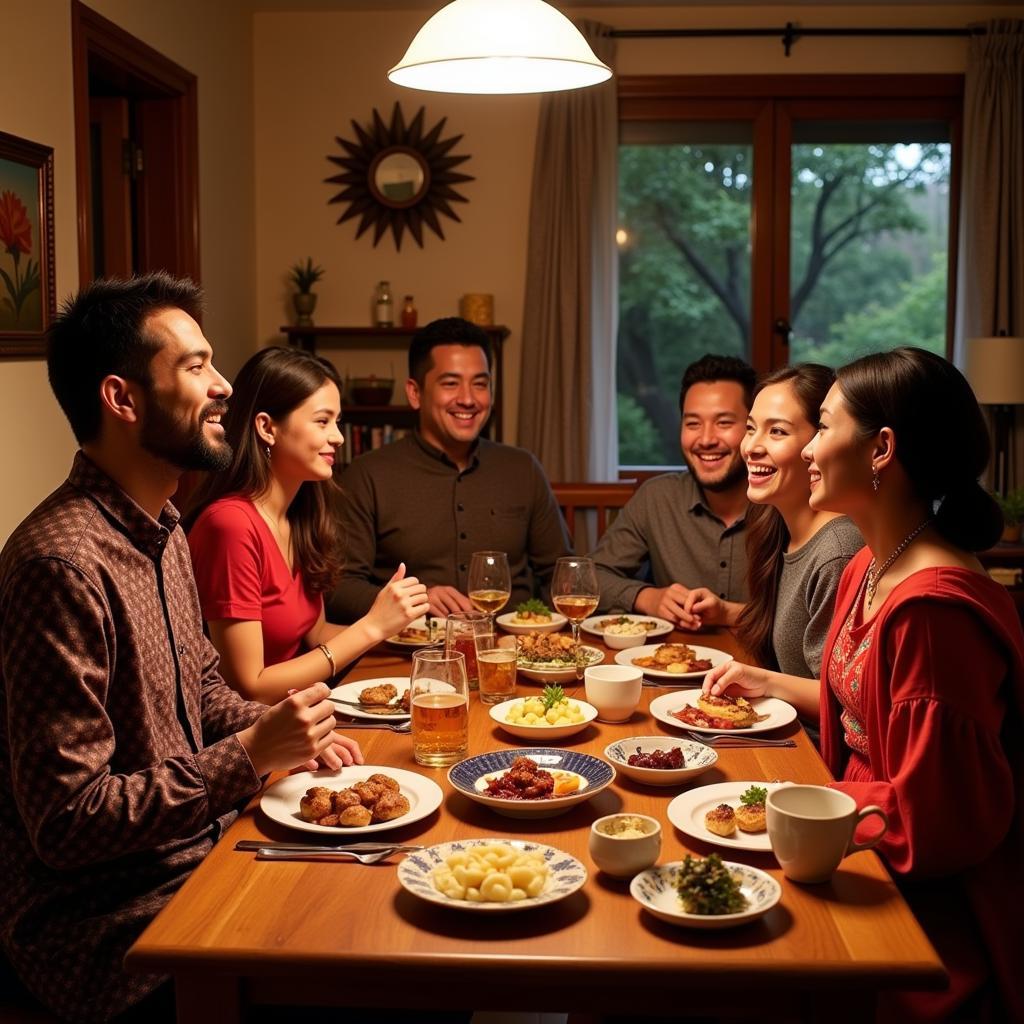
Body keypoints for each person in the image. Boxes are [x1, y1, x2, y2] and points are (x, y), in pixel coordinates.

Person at [0, 274, 364, 1023]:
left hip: (206, 857)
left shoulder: (162, 525)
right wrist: (251, 755)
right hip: (115, 929)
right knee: (397, 984)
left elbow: (200, 686)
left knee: (392, 904)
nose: (225, 385)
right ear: (122, 399)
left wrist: (289, 734)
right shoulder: (59, 565)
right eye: (195, 367)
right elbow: (68, 822)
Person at [707, 347, 1023, 1021]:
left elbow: (937, 826)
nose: (810, 450)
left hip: (927, 920)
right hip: (857, 853)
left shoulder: (933, 611)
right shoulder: (870, 569)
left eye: (822, 427)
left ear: (881, 448)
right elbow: (853, 737)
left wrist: (791, 807)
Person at [185, 347, 429, 704]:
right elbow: (247, 686)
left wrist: (395, 631)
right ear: (267, 428)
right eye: (322, 421)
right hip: (253, 738)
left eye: (338, 421)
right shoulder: (230, 526)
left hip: (303, 715)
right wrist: (371, 626)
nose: (339, 437)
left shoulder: (299, 513)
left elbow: (314, 633)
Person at [326, 317, 571, 620]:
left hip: (510, 650)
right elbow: (339, 588)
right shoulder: (368, 476)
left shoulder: (523, 469)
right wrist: (416, 601)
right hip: (410, 654)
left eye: (480, 384)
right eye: (450, 383)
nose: (468, 399)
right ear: (415, 393)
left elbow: (562, 577)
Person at [693, 365, 862, 714]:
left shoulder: (837, 552)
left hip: (813, 754)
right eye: (751, 428)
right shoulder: (778, 526)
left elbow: (846, 701)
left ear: (818, 444)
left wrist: (765, 681)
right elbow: (799, 624)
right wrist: (726, 612)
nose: (752, 447)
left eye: (777, 432)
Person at [592, 353, 754, 626]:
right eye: (693, 424)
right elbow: (591, 577)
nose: (705, 439)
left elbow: (806, 617)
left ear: (752, 429)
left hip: (763, 666)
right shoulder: (657, 498)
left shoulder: (784, 504)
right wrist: (645, 597)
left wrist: (729, 613)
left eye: (724, 422)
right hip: (669, 662)